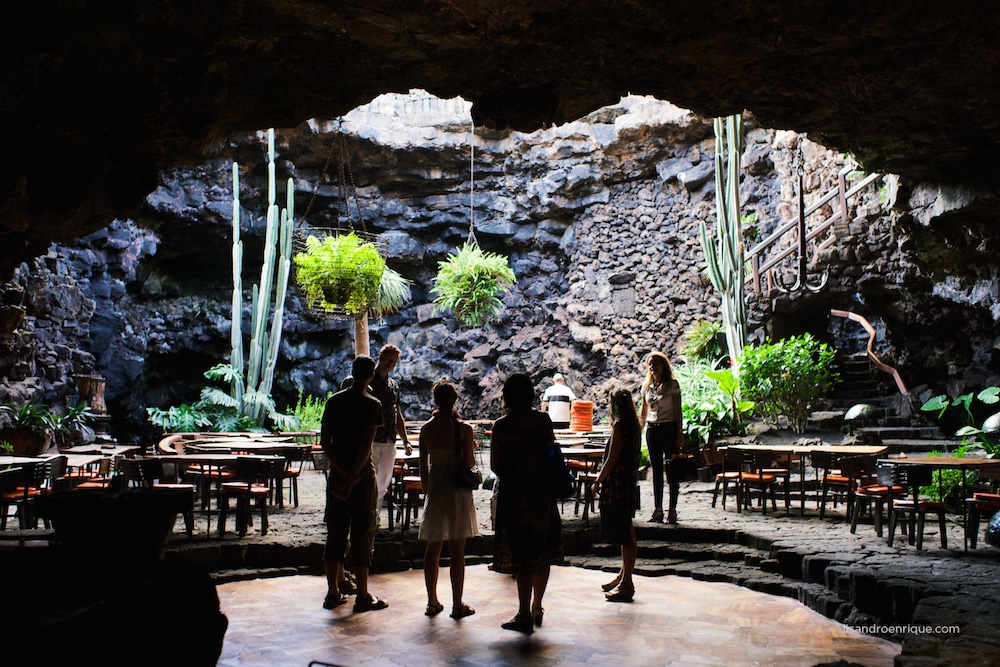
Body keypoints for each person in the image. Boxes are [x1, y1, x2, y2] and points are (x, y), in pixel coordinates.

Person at [491, 372, 564, 633]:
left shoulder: (502, 426)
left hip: (515, 496)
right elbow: (550, 453)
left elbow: (495, 466)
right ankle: (537, 606)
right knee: (542, 551)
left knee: (522, 552)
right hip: (542, 495)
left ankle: (522, 612)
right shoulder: (543, 421)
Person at [320, 355, 389, 613]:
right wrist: (354, 476)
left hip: (338, 474)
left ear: (352, 371)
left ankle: (332, 593)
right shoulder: (373, 404)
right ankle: (362, 595)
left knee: (335, 532)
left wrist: (342, 473)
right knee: (362, 533)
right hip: (362, 477)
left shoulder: (334, 401)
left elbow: (326, 442)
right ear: (371, 375)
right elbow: (365, 445)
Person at [417, 380, 479, 619]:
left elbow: (423, 467)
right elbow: (469, 463)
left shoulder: (426, 429)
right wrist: (470, 448)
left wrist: (428, 489)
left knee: (433, 546)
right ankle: (457, 604)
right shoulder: (463, 429)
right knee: (457, 550)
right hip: (458, 490)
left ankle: (432, 601)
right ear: (455, 400)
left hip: (437, 488)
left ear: (435, 401)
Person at [592, 389, 641, 602]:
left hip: (619, 484)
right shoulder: (635, 426)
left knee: (625, 535)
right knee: (627, 530)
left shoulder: (620, 426)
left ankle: (627, 583)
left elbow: (611, 459)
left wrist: (597, 481)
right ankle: (622, 576)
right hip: (628, 481)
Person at [639, 351, 685, 524]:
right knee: (656, 470)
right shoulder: (646, 387)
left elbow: (677, 410)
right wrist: (639, 430)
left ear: (663, 366)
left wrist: (680, 433)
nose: (652, 367)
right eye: (650, 364)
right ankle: (658, 509)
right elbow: (643, 412)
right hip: (653, 430)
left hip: (669, 427)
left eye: (656, 364)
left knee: (672, 469)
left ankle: (672, 510)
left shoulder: (672, 385)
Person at [368, 344, 413, 520]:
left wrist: (405, 440)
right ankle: (366, 518)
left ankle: (374, 518)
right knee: (370, 480)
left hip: (389, 441)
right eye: (388, 359)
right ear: (380, 356)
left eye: (394, 362)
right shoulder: (368, 381)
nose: (391, 364)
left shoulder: (394, 385)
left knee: (383, 481)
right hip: (371, 439)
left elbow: (397, 414)